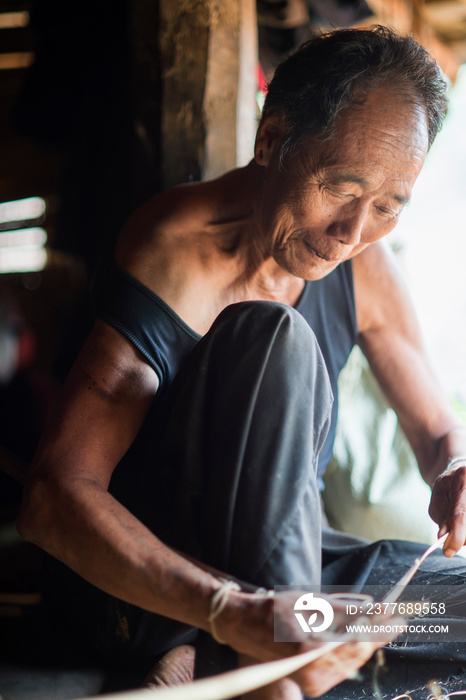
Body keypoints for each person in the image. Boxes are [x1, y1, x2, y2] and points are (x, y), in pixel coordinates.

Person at [17, 25, 466, 700]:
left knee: (451, 608)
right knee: (271, 340)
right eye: (340, 188)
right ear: (272, 138)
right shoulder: (176, 251)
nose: (351, 232)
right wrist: (227, 611)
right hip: (157, 595)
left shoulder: (364, 262)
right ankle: (228, 653)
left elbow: (438, 433)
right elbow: (54, 497)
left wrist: (456, 469)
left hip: (294, 590)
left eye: (386, 208)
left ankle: (258, 655)